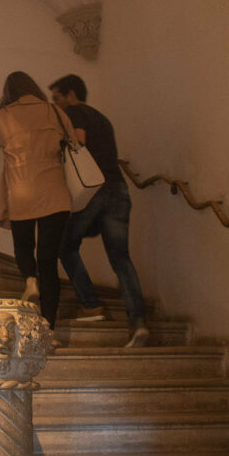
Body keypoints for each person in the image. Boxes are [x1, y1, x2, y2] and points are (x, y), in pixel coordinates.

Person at [49, 74, 149, 348]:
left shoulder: (74, 111)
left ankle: (92, 305)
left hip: (95, 191)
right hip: (119, 189)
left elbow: (78, 142)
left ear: (71, 95)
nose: (55, 104)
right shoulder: (102, 118)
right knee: (121, 259)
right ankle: (138, 323)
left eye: (57, 98)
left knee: (65, 246)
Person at [0, 72, 74, 329]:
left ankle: (30, 279)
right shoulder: (53, 112)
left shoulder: (5, 116)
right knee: (49, 261)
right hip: (54, 192)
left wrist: (0, 117)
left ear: (9, 91)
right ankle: (50, 326)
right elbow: (73, 140)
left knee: (23, 246)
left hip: (21, 192)